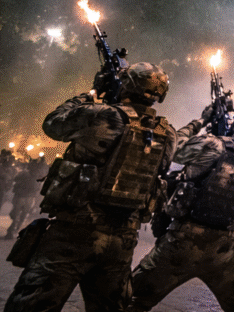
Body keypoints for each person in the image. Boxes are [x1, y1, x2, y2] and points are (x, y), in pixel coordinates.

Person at [4, 63, 175, 312]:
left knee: (31, 305)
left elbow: (52, 124)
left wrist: (91, 93)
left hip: (75, 230)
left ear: (126, 85)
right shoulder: (167, 132)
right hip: (123, 236)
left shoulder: (101, 114)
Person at [129, 103, 234, 312]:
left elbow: (173, 147)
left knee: (132, 300)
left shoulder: (213, 144)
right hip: (227, 248)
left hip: (182, 242)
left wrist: (201, 121)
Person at [5, 156, 49, 239]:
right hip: (23, 196)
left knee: (20, 215)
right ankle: (13, 230)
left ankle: (13, 230)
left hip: (27, 197)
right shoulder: (26, 174)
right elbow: (16, 179)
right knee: (17, 215)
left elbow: (38, 189)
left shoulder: (33, 175)